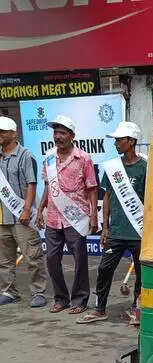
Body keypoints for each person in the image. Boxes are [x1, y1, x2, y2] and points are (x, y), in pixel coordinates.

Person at [77, 121, 146, 324]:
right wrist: (105, 226)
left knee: (142, 274)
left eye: (119, 140)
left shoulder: (145, 168)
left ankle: (137, 308)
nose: (115, 143)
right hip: (115, 231)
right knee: (104, 269)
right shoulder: (113, 167)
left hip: (139, 231)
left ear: (131, 142)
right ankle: (100, 308)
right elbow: (107, 196)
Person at [35, 115, 97, 315]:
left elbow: (92, 188)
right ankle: (61, 298)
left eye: (62, 133)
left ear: (72, 136)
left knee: (80, 259)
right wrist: (40, 209)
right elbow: (47, 187)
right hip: (53, 217)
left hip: (75, 217)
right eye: (55, 132)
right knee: (52, 260)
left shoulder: (84, 158)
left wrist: (94, 215)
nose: (58, 136)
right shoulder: (49, 158)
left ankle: (80, 299)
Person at [0, 115, 47, 308]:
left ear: (13, 133)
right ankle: (9, 291)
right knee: (4, 259)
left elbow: (31, 184)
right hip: (2, 216)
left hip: (22, 215)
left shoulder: (26, 155)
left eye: (2, 132)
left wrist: (27, 210)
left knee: (33, 256)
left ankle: (39, 292)